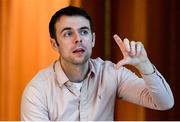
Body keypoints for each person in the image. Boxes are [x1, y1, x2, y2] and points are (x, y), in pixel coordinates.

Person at [21, 6, 174, 121]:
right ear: (54, 44)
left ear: (93, 39)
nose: (78, 39)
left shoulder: (111, 73)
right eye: (68, 33)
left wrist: (144, 65)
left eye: (84, 31)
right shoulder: (37, 91)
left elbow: (164, 103)